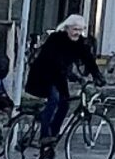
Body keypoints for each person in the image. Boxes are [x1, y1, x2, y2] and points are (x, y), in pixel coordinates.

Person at [23, 14, 101, 148]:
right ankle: (44, 136)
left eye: (80, 30)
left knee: (65, 105)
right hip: (43, 75)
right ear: (67, 28)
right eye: (75, 29)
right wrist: (71, 75)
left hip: (60, 77)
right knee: (54, 99)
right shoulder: (56, 38)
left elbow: (88, 59)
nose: (77, 33)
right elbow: (52, 59)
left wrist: (97, 75)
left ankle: (53, 135)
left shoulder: (80, 42)